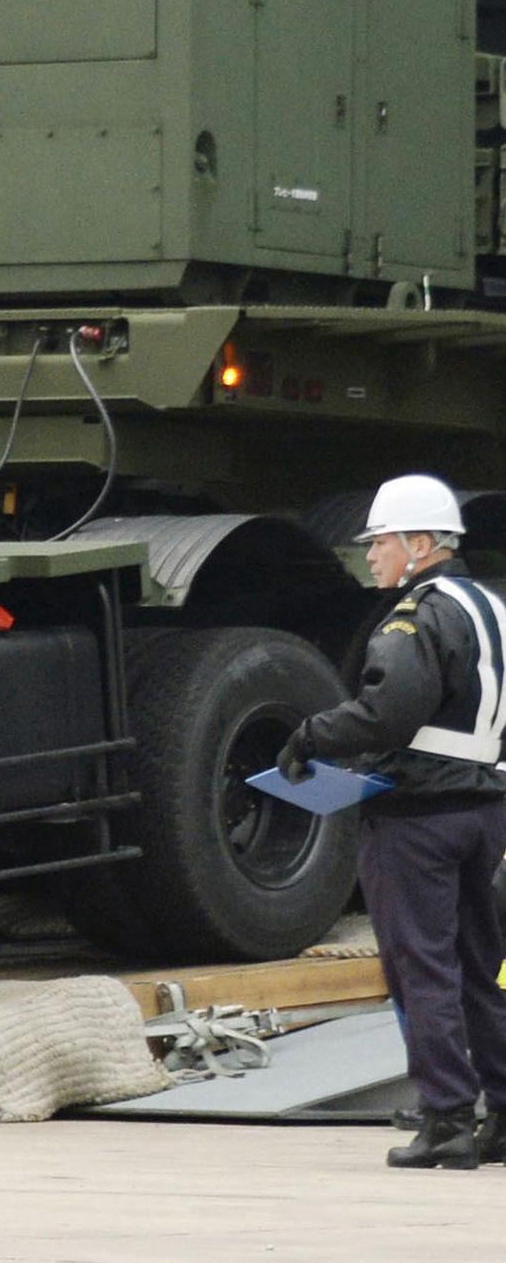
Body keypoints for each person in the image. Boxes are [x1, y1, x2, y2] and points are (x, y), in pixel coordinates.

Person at [278, 474, 506, 1169]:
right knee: (481, 965)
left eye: (380, 540)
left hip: (419, 819)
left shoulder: (417, 615)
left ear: (421, 543)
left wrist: (312, 735)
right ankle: (501, 1110)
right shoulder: (491, 607)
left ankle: (445, 1120)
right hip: (486, 809)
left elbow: (390, 710)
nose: (371, 553)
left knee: (421, 966)